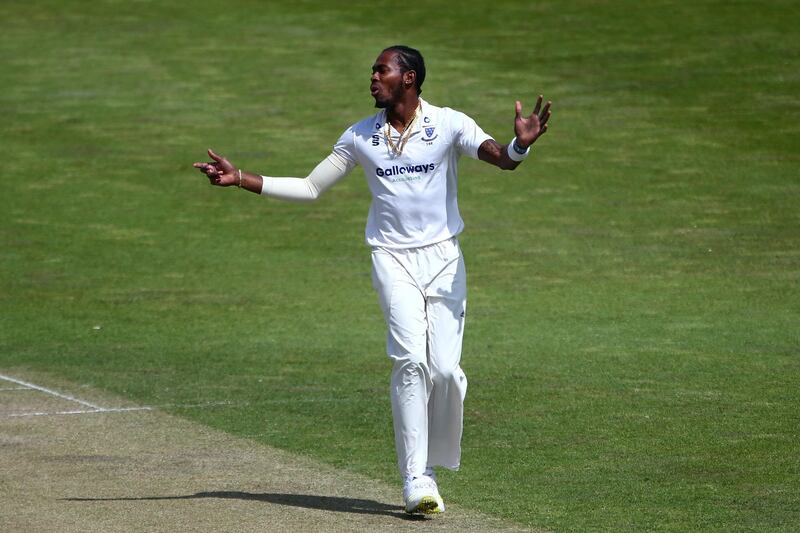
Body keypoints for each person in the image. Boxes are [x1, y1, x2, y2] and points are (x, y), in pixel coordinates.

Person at [194, 45, 551, 515]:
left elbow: (500, 158)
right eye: (373, 71)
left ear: (409, 78)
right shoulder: (360, 136)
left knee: (444, 371)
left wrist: (520, 145)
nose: (372, 78)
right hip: (392, 260)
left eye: (382, 70)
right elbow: (310, 186)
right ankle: (416, 478)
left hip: (444, 260)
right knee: (409, 363)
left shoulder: (448, 123)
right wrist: (241, 178)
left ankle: (431, 463)